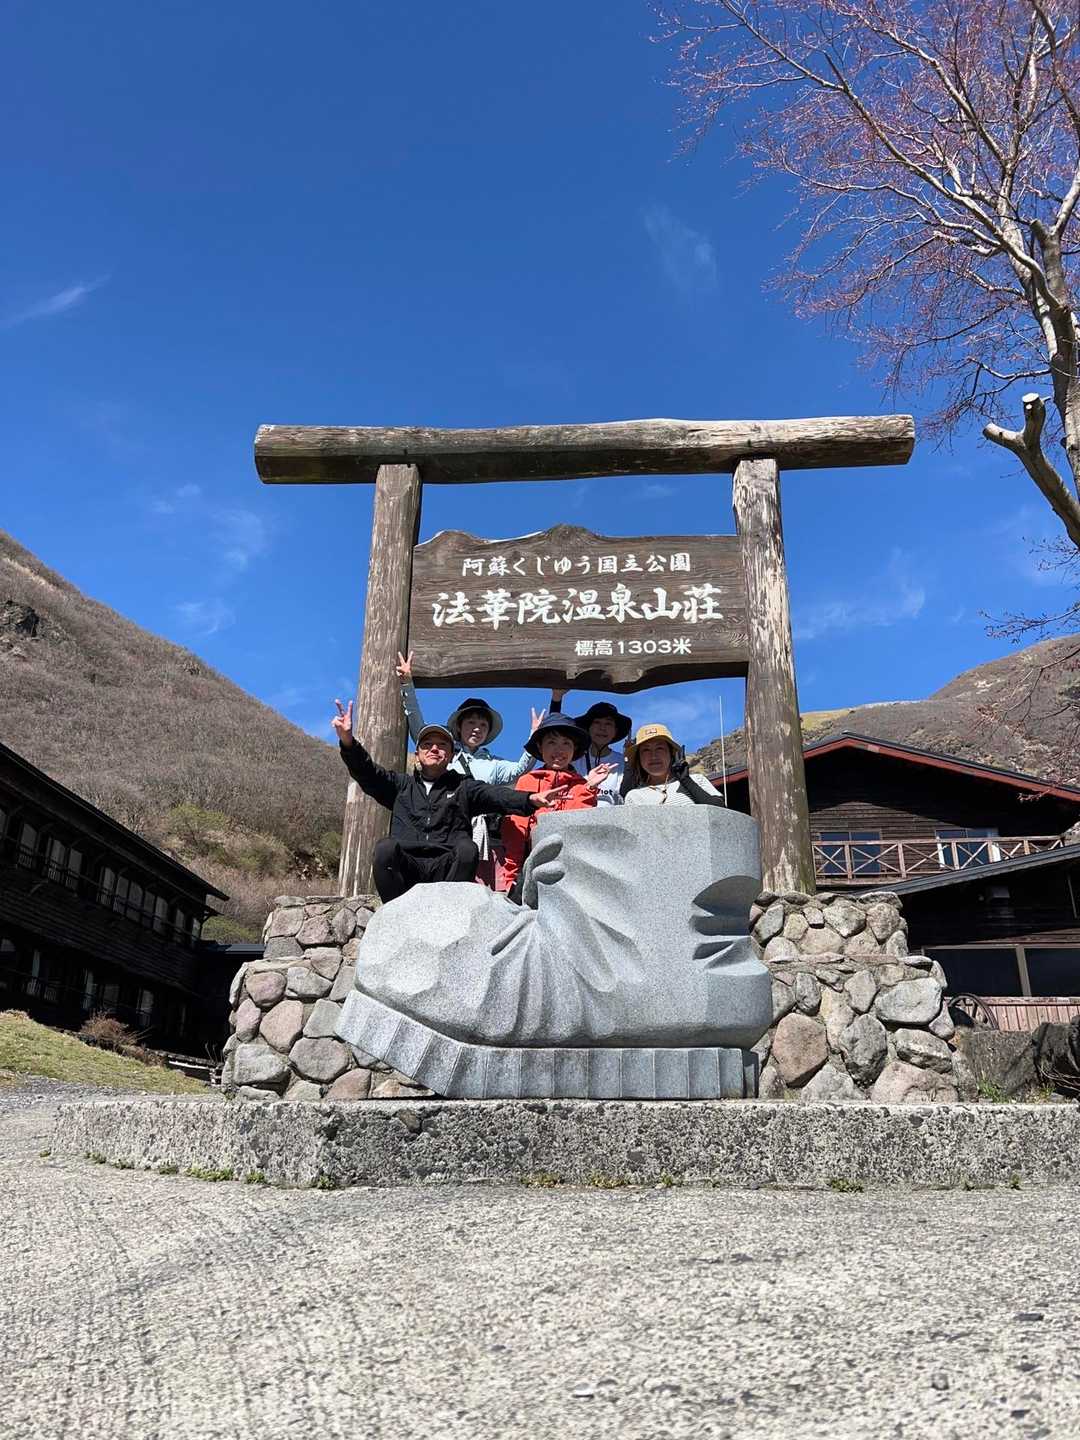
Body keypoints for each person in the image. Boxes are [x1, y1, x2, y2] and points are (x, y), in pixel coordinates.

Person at [331, 699, 568, 903]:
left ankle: (448, 910)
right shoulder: (400, 786)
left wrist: (530, 799)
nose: (434, 749)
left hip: (447, 868)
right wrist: (348, 743)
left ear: (451, 755)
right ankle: (394, 912)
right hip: (408, 865)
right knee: (385, 848)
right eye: (427, 745)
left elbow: (496, 795)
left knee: (467, 849)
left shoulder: (463, 786)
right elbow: (368, 773)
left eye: (442, 745)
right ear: (418, 754)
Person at [394, 651, 547, 888]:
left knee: (482, 889)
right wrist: (408, 684)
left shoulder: (494, 764)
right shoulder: (444, 753)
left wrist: (534, 736)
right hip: (447, 832)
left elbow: (520, 769)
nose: (477, 728)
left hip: (485, 835)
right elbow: (418, 728)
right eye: (471, 723)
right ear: (459, 726)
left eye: (483, 724)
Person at [500, 713, 613, 896]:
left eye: (566, 743)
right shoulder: (527, 781)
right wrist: (511, 877)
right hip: (531, 866)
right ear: (540, 747)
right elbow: (516, 833)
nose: (559, 750)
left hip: (571, 871)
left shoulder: (581, 785)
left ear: (574, 749)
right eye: (552, 742)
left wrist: (589, 788)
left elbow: (578, 830)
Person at [551, 690, 631, 806]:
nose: (602, 728)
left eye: (608, 724)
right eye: (597, 722)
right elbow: (552, 734)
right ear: (587, 728)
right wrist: (556, 698)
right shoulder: (572, 759)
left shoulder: (623, 763)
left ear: (615, 731)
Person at [622, 723, 727, 806]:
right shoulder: (634, 796)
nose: (653, 756)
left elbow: (719, 810)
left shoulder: (697, 780)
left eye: (660, 748)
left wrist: (686, 781)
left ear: (671, 753)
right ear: (639, 758)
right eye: (646, 750)